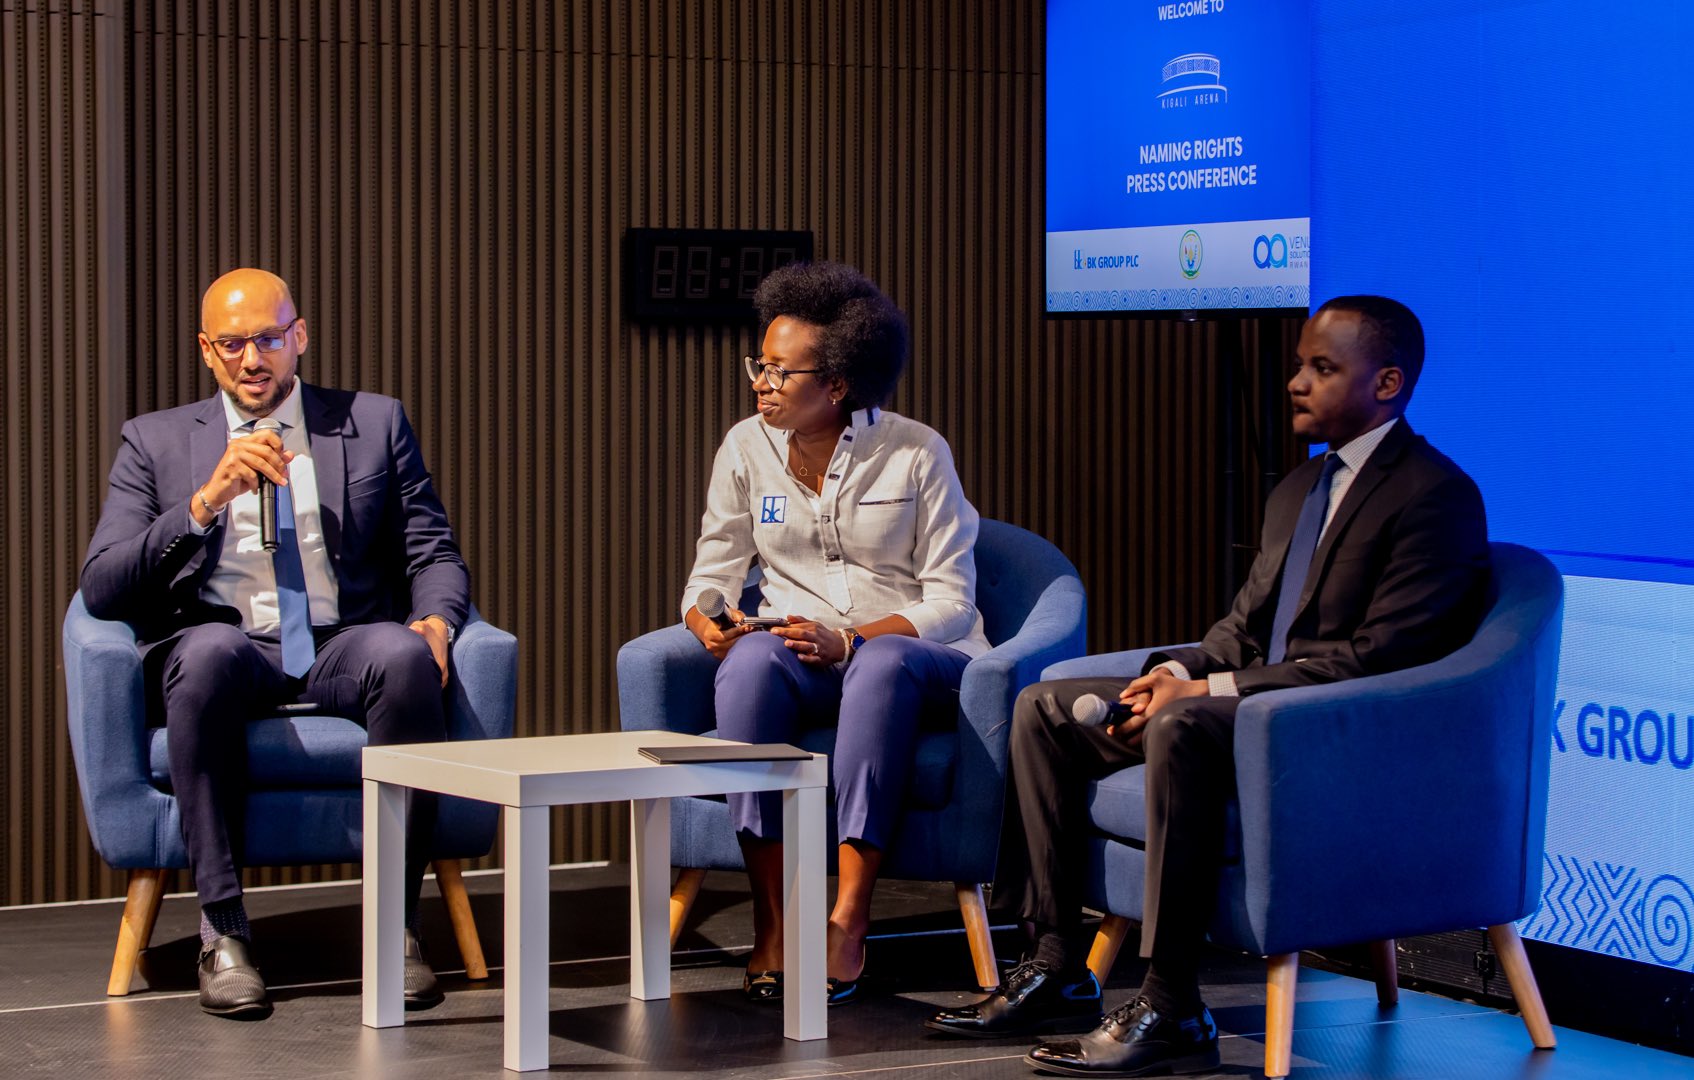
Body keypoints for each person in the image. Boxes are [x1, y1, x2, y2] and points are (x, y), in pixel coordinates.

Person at [927, 295, 1491, 1076]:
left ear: (1388, 383)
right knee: (1044, 710)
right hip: (1250, 705)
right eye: (1299, 364)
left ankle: (1171, 1001)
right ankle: (1056, 963)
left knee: (1181, 727)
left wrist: (1206, 694)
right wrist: (1175, 671)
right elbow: (1241, 626)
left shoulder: (1435, 496)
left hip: (1333, 733)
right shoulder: (1298, 491)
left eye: (1321, 369)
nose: (1296, 382)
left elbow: (1374, 661)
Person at [80, 269, 469, 1019]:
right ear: (207, 350)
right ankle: (223, 933)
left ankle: (395, 929)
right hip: (229, 642)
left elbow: (432, 550)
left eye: (268, 338)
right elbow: (102, 584)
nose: (253, 359)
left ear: (300, 337)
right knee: (201, 658)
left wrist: (438, 619)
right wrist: (203, 502)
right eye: (233, 344)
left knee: (402, 656)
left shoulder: (374, 422)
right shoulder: (155, 441)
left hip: (336, 638)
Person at [681, 261, 989, 1005]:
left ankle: (849, 919)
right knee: (750, 669)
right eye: (759, 364)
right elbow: (712, 572)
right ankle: (776, 920)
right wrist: (708, 623)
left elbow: (951, 599)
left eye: (781, 372)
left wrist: (851, 641)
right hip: (798, 649)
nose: (761, 382)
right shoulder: (744, 448)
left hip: (919, 657)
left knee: (880, 666)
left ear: (841, 383)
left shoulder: (917, 452)